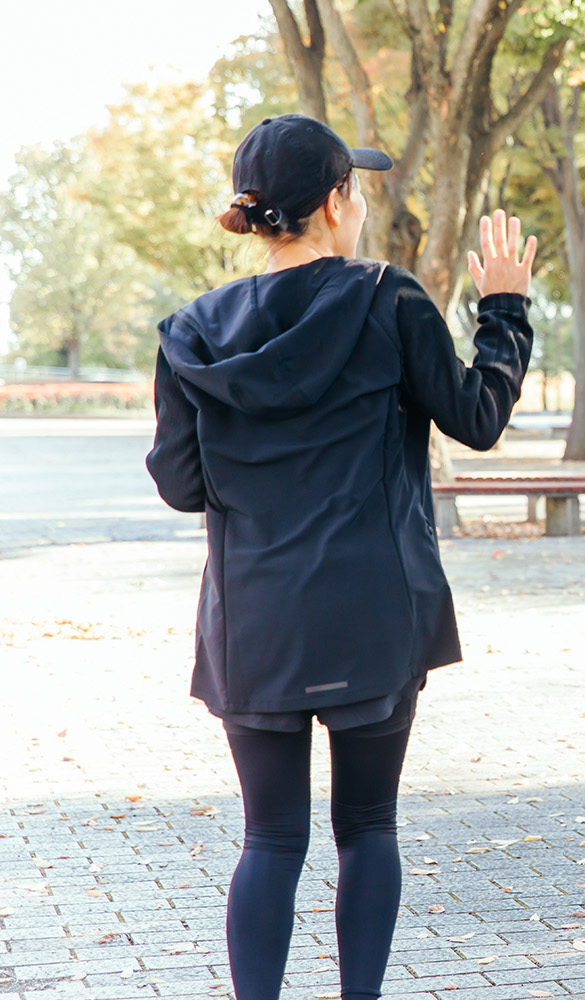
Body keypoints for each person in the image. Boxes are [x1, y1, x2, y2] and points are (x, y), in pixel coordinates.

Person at [145, 114, 537, 1000]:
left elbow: (178, 482)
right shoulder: (388, 299)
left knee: (270, 840)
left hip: (255, 616)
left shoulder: (193, 331)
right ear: (334, 202)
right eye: (354, 188)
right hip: (372, 609)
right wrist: (505, 309)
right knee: (368, 826)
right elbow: (475, 418)